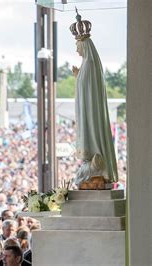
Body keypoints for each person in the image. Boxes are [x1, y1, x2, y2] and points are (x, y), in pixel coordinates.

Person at [70, 9, 118, 186]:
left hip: (91, 113)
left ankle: (96, 166)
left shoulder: (89, 64)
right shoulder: (87, 65)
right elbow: (86, 88)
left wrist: (79, 79)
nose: (76, 50)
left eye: (77, 46)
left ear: (84, 45)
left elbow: (87, 89)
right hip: (88, 110)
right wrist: (78, 77)